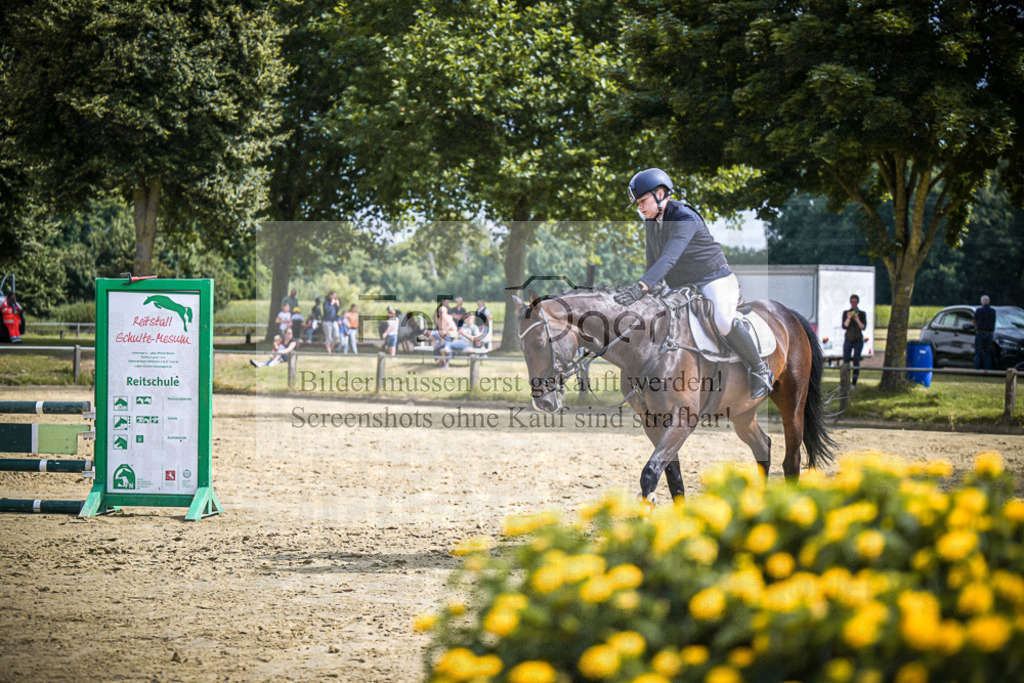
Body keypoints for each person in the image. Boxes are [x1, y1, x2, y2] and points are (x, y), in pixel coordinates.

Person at [614, 168, 774, 399]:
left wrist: (641, 287)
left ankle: (760, 371)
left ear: (660, 193)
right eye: (637, 203)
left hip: (713, 278)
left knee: (722, 320)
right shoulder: (652, 222)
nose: (639, 207)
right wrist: (648, 291)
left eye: (642, 200)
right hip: (682, 285)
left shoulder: (684, 217)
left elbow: (669, 258)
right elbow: (653, 262)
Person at [842, 294, 867, 387]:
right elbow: (844, 326)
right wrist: (848, 318)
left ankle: (854, 382)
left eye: (855, 302)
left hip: (858, 340)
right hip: (848, 339)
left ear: (857, 303)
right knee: (846, 361)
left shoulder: (862, 314)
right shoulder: (846, 313)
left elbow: (863, 327)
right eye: (852, 302)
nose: (853, 304)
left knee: (856, 361)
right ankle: (845, 381)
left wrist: (857, 319)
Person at [973, 295, 997, 370]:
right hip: (989, 334)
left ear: (981, 302)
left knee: (978, 353)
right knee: (987, 354)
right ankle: (987, 371)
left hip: (980, 333)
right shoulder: (993, 311)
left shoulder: (979, 310)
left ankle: (977, 371)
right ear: (989, 302)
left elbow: (974, 321)